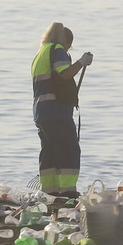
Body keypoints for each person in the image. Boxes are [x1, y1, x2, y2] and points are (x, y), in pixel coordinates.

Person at [31, 23, 92, 198]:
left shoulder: (40, 53)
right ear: (65, 41)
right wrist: (81, 62)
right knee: (69, 150)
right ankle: (68, 191)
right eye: (68, 45)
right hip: (56, 112)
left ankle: (49, 192)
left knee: (49, 151)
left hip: (41, 113)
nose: (67, 49)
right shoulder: (57, 50)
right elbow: (64, 74)